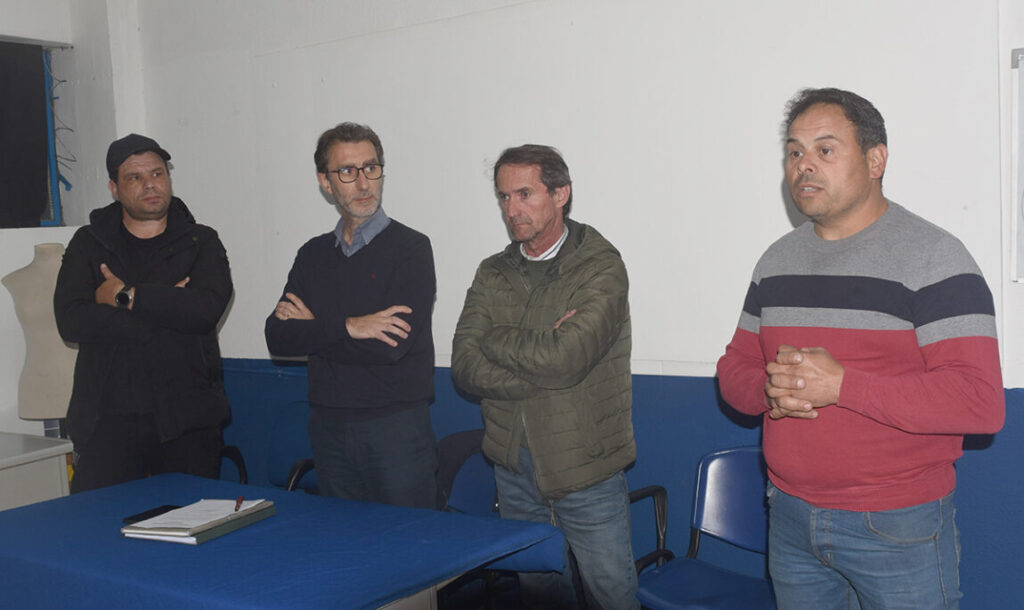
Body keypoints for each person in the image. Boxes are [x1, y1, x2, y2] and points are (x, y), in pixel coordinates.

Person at [717, 88, 1006, 609]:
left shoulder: (936, 258)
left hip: (897, 526)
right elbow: (735, 369)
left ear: (876, 160)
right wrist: (770, 389)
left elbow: (980, 403)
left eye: (825, 150)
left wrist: (843, 386)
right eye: (794, 151)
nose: (804, 165)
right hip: (789, 516)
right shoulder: (775, 262)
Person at [452, 144, 638, 609]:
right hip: (514, 469)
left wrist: (496, 338)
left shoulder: (600, 265)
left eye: (524, 194)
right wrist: (540, 368)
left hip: (586, 469)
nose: (512, 209)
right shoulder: (493, 272)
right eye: (504, 197)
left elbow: (565, 359)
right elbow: (464, 365)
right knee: (539, 596)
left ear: (560, 194)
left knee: (612, 596)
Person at [265, 122, 438, 509]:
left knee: (408, 539)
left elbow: (391, 346)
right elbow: (278, 337)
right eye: (347, 171)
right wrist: (350, 327)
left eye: (371, 168)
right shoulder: (313, 255)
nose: (363, 183)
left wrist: (315, 330)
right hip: (328, 427)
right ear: (325, 182)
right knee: (345, 540)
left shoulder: (410, 249)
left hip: (394, 429)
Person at [54, 133, 233, 493]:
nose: (150, 184)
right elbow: (71, 321)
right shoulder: (89, 243)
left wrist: (125, 296)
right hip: (107, 422)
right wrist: (166, 306)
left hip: (187, 422)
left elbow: (205, 310)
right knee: (99, 523)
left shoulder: (201, 241)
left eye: (157, 173)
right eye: (134, 177)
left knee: (190, 521)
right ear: (114, 188)